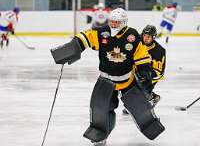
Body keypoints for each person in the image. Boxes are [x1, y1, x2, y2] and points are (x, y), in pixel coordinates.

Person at [51, 8, 165, 145]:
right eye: (111, 22)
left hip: (127, 81)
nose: (113, 25)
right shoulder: (102, 32)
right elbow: (85, 38)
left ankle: (149, 125)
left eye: (116, 22)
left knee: (139, 107)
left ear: (123, 22)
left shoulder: (133, 36)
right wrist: (70, 49)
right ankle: (100, 133)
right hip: (106, 80)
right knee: (101, 109)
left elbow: (142, 57)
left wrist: (145, 75)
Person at [122, 25, 166, 115]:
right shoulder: (137, 42)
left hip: (150, 74)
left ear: (153, 37)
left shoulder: (159, 51)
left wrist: (145, 79)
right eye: (144, 35)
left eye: (148, 37)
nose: (145, 38)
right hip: (135, 70)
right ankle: (132, 103)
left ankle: (152, 98)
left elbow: (159, 72)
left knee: (140, 86)